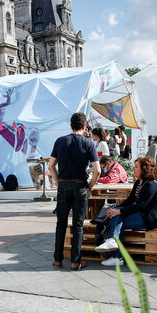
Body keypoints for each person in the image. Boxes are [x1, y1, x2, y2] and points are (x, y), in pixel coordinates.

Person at [49, 112, 101, 270]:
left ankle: (58, 259)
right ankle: (75, 261)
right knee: (78, 225)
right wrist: (90, 185)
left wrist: (59, 182)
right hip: (80, 186)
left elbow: (51, 165)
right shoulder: (88, 143)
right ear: (84, 126)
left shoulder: (60, 141)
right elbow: (97, 170)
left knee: (61, 224)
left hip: (64, 185)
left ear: (71, 125)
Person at [95, 156, 157, 266]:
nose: (133, 169)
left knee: (117, 220)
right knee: (116, 218)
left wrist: (118, 212)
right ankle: (115, 250)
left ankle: (117, 254)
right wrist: (115, 210)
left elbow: (141, 206)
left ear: (144, 169)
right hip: (141, 214)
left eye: (136, 167)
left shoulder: (151, 184)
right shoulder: (139, 183)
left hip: (149, 218)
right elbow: (130, 201)